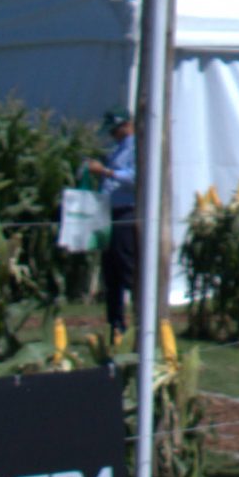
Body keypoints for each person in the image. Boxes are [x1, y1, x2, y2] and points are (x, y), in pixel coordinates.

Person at [92, 107, 139, 339]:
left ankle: (142, 322)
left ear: (125, 126)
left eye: (113, 130)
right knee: (111, 272)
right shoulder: (117, 150)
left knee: (127, 267)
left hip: (125, 213)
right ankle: (115, 324)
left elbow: (137, 177)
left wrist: (108, 173)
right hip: (109, 212)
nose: (111, 135)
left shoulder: (137, 147)